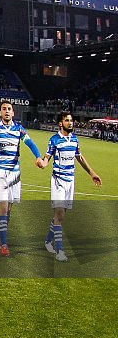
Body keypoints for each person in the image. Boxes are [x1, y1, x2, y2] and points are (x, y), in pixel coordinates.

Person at [36, 110, 102, 262]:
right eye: (67, 120)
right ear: (60, 123)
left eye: (71, 120)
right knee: (60, 215)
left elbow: (79, 157)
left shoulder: (75, 140)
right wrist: (42, 164)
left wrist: (92, 173)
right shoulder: (54, 140)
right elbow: (47, 158)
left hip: (70, 181)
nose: (70, 123)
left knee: (60, 217)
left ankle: (47, 241)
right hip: (58, 181)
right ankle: (60, 251)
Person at [0, 100, 41, 257]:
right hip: (1, 173)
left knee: (9, 209)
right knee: (3, 207)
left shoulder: (19, 129)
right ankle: (3, 244)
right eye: (4, 109)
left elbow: (31, 143)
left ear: (13, 112)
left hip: (15, 174)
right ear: (0, 112)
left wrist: (38, 157)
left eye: (9, 109)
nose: (7, 111)